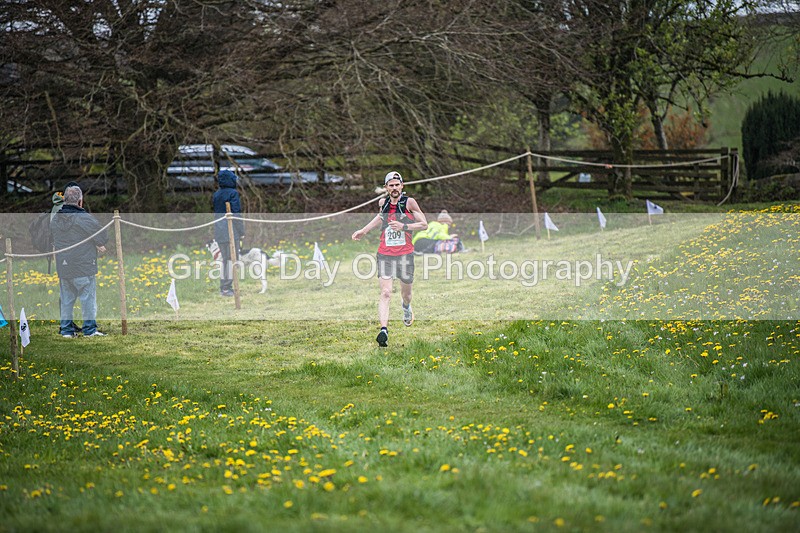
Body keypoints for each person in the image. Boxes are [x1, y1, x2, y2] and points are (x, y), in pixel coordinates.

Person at [352, 171, 427, 347]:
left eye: (397, 185)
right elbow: (380, 217)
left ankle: (406, 307)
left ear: (402, 186)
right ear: (386, 187)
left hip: (405, 254)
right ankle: (383, 330)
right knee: (386, 292)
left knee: (406, 294)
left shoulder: (409, 202)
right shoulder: (383, 203)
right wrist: (364, 231)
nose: (394, 188)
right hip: (385, 254)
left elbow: (424, 225)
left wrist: (404, 226)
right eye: (391, 185)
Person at [50, 185, 108, 337]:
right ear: (80, 201)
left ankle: (66, 330)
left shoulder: (55, 219)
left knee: (66, 300)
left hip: (63, 266)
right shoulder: (84, 218)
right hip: (83, 266)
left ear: (65, 200)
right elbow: (102, 236)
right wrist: (96, 242)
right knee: (87, 299)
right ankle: (90, 330)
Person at [212, 169, 245, 297]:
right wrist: (241, 231)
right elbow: (235, 213)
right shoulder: (233, 193)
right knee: (232, 259)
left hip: (219, 231)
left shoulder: (216, 194)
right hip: (231, 232)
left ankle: (224, 287)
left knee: (226, 260)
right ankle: (226, 288)